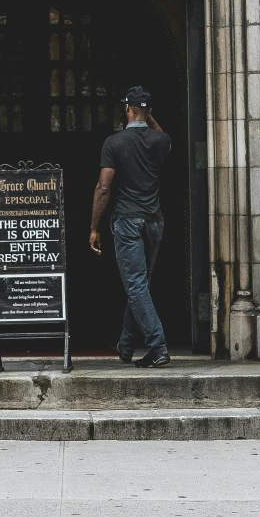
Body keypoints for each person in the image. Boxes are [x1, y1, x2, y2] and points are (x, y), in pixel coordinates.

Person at [89, 84, 171, 366]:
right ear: (147, 112)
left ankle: (157, 346)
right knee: (140, 284)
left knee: (136, 285)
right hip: (154, 221)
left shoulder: (114, 143)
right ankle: (125, 346)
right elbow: (164, 139)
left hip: (127, 220)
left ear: (127, 109)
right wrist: (148, 117)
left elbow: (103, 188)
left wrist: (93, 227)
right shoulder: (160, 141)